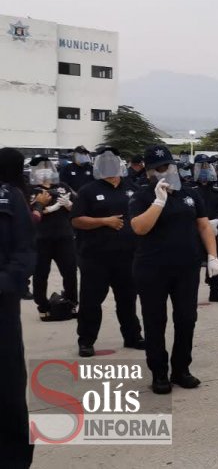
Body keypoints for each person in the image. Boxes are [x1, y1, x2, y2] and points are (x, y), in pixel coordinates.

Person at [129, 145, 218, 394]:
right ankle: (159, 373)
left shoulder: (189, 193)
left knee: (186, 319)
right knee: (155, 321)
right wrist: (158, 202)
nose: (166, 171)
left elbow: (203, 226)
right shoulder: (142, 195)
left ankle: (181, 369)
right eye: (160, 168)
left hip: (186, 268)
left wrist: (212, 256)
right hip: (152, 269)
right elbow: (139, 228)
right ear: (149, 172)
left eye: (169, 166)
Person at [72, 146, 145, 356]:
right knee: (91, 301)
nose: (109, 164)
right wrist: (104, 221)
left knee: (127, 300)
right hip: (95, 257)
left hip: (127, 256)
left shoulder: (132, 187)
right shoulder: (89, 191)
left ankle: (132, 336)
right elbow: (76, 220)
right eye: (104, 161)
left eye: (113, 159)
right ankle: (86, 340)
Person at [0, 147, 37, 468]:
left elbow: (25, 251)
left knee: (8, 390)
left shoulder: (8, 197)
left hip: (2, 307)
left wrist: (6, 281)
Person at [28, 154, 79, 320]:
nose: (44, 171)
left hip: (64, 235)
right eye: (40, 168)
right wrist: (51, 207)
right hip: (41, 238)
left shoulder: (62, 186)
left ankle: (71, 302)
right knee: (41, 273)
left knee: (70, 271)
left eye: (47, 167)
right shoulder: (32, 190)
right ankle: (42, 305)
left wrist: (69, 205)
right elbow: (33, 212)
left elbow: (77, 207)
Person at [191, 154, 218, 303]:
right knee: (193, 261)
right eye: (201, 165)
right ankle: (190, 293)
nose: (204, 168)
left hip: (215, 229)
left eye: (207, 165)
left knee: (216, 259)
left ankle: (216, 291)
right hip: (194, 230)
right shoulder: (189, 186)